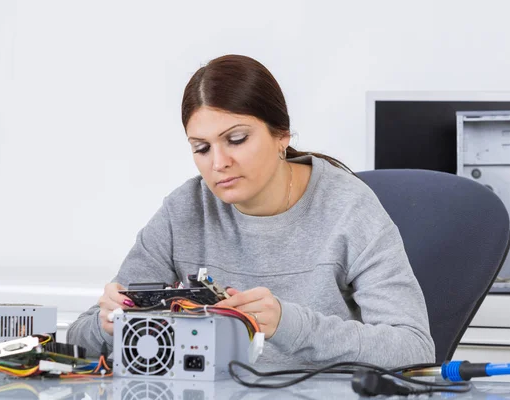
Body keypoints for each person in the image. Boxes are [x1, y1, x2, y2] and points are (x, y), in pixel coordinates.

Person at [67, 54, 435, 368]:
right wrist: (108, 322)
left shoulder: (349, 207)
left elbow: (414, 348)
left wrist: (288, 324)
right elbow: (79, 338)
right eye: (202, 148)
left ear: (282, 136)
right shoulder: (185, 210)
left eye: (236, 139)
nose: (219, 163)